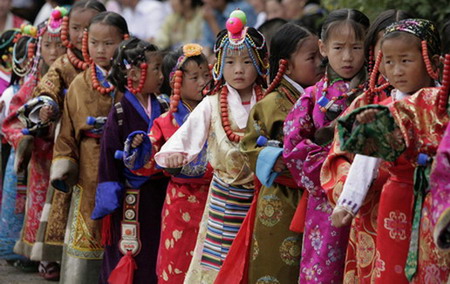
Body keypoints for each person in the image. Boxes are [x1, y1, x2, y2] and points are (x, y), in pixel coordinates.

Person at [153, 11, 268, 283]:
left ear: (260, 64)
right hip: (225, 196)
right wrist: (173, 154)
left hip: (260, 195)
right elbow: (189, 133)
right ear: (219, 66)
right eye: (229, 62)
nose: (238, 69)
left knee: (254, 260)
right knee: (219, 262)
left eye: (245, 62)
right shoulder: (213, 103)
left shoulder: (267, 102)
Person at [337, 18, 450, 283]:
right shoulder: (384, 109)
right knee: (392, 267)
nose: (396, 71)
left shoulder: (442, 104)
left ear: (430, 60)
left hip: (438, 200)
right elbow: (366, 159)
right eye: (389, 62)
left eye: (406, 61)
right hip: (397, 197)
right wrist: (348, 202)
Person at [223, 23, 322, 283]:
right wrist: (274, 159)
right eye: (312, 57)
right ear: (286, 66)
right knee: (277, 268)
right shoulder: (270, 103)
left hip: (317, 195)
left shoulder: (325, 98)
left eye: (320, 56)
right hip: (281, 198)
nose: (321, 63)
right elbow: (248, 145)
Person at [321, 10, 412, 283]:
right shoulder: (364, 103)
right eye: (387, 50)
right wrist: (355, 191)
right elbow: (337, 156)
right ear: (375, 52)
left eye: (405, 55)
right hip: (370, 208)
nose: (395, 66)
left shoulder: (434, 100)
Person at [282, 8, 369, 283]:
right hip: (326, 203)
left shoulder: (377, 93)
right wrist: (337, 171)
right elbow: (294, 147)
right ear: (323, 48)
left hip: (369, 200)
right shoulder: (310, 97)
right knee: (324, 269)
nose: (347, 57)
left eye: (356, 47)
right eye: (338, 47)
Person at [49, 11, 128, 284]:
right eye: (94, 43)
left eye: (108, 43)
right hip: (90, 166)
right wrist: (63, 166)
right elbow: (68, 132)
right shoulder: (79, 84)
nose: (100, 50)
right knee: (88, 228)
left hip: (126, 165)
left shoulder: (134, 80)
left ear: (124, 41)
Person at [125, 43, 212, 283]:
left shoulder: (219, 111)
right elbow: (148, 160)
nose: (203, 81)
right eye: (194, 77)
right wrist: (139, 147)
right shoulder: (165, 121)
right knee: (177, 260)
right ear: (176, 82)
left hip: (217, 196)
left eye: (206, 75)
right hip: (181, 200)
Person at [28, 0, 105, 269]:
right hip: (70, 144)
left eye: (90, 28)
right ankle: (57, 257)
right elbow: (47, 86)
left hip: (105, 145)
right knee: (63, 198)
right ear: (66, 29)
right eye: (76, 27)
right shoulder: (64, 62)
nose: (83, 35)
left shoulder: (113, 64)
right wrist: (47, 105)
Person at [89, 37, 169, 284]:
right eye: (156, 69)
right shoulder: (121, 113)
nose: (162, 75)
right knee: (129, 248)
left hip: (158, 194)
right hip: (129, 198)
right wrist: (110, 194)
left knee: (155, 249)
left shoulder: (164, 106)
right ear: (134, 73)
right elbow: (107, 159)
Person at [2, 8, 66, 280]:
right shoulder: (35, 78)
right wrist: (25, 136)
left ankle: (57, 256)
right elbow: (14, 116)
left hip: (65, 152)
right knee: (37, 204)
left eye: (59, 45)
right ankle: (36, 254)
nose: (53, 51)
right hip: (41, 156)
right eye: (47, 45)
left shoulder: (71, 73)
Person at [0, 28, 35, 270]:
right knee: (15, 200)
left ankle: (30, 250)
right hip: (14, 149)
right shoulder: (14, 91)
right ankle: (11, 247)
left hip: (32, 150)